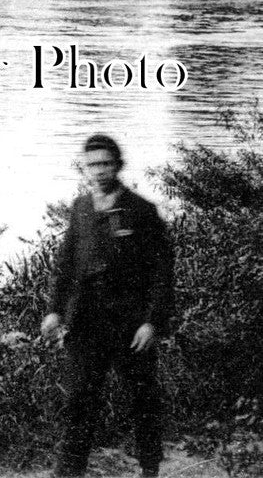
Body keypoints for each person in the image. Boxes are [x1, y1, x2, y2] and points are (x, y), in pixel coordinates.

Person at [41, 134, 175, 478]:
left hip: (131, 327)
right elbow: (67, 263)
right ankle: (69, 473)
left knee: (142, 402)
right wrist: (55, 309)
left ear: (118, 166)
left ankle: (149, 469)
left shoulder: (141, 211)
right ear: (85, 169)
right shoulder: (81, 207)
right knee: (78, 403)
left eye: (105, 163)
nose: (99, 171)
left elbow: (162, 273)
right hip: (86, 325)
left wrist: (152, 323)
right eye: (92, 165)